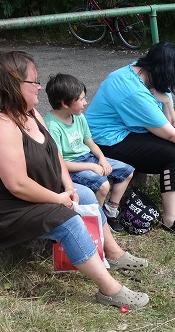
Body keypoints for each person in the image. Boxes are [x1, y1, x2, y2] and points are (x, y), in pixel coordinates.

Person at [0, 50, 149, 309]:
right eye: (34, 81)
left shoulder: (29, 113)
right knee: (66, 221)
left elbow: (55, 153)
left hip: (16, 197)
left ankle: (113, 252)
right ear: (12, 84)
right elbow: (17, 184)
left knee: (85, 194)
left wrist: (68, 186)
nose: (39, 87)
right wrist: (58, 199)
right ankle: (110, 290)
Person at [85, 42, 175, 235]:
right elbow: (170, 134)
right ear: (165, 69)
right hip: (106, 141)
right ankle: (170, 220)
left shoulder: (151, 75)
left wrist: (166, 101)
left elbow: (171, 123)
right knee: (173, 154)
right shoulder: (132, 89)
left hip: (127, 131)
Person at [44, 73, 134, 233]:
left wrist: (102, 159)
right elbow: (60, 163)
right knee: (103, 185)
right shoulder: (52, 126)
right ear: (64, 103)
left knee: (127, 171)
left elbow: (89, 141)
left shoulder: (78, 116)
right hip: (72, 166)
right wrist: (91, 167)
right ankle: (96, 223)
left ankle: (110, 211)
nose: (85, 102)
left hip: (88, 158)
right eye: (81, 99)